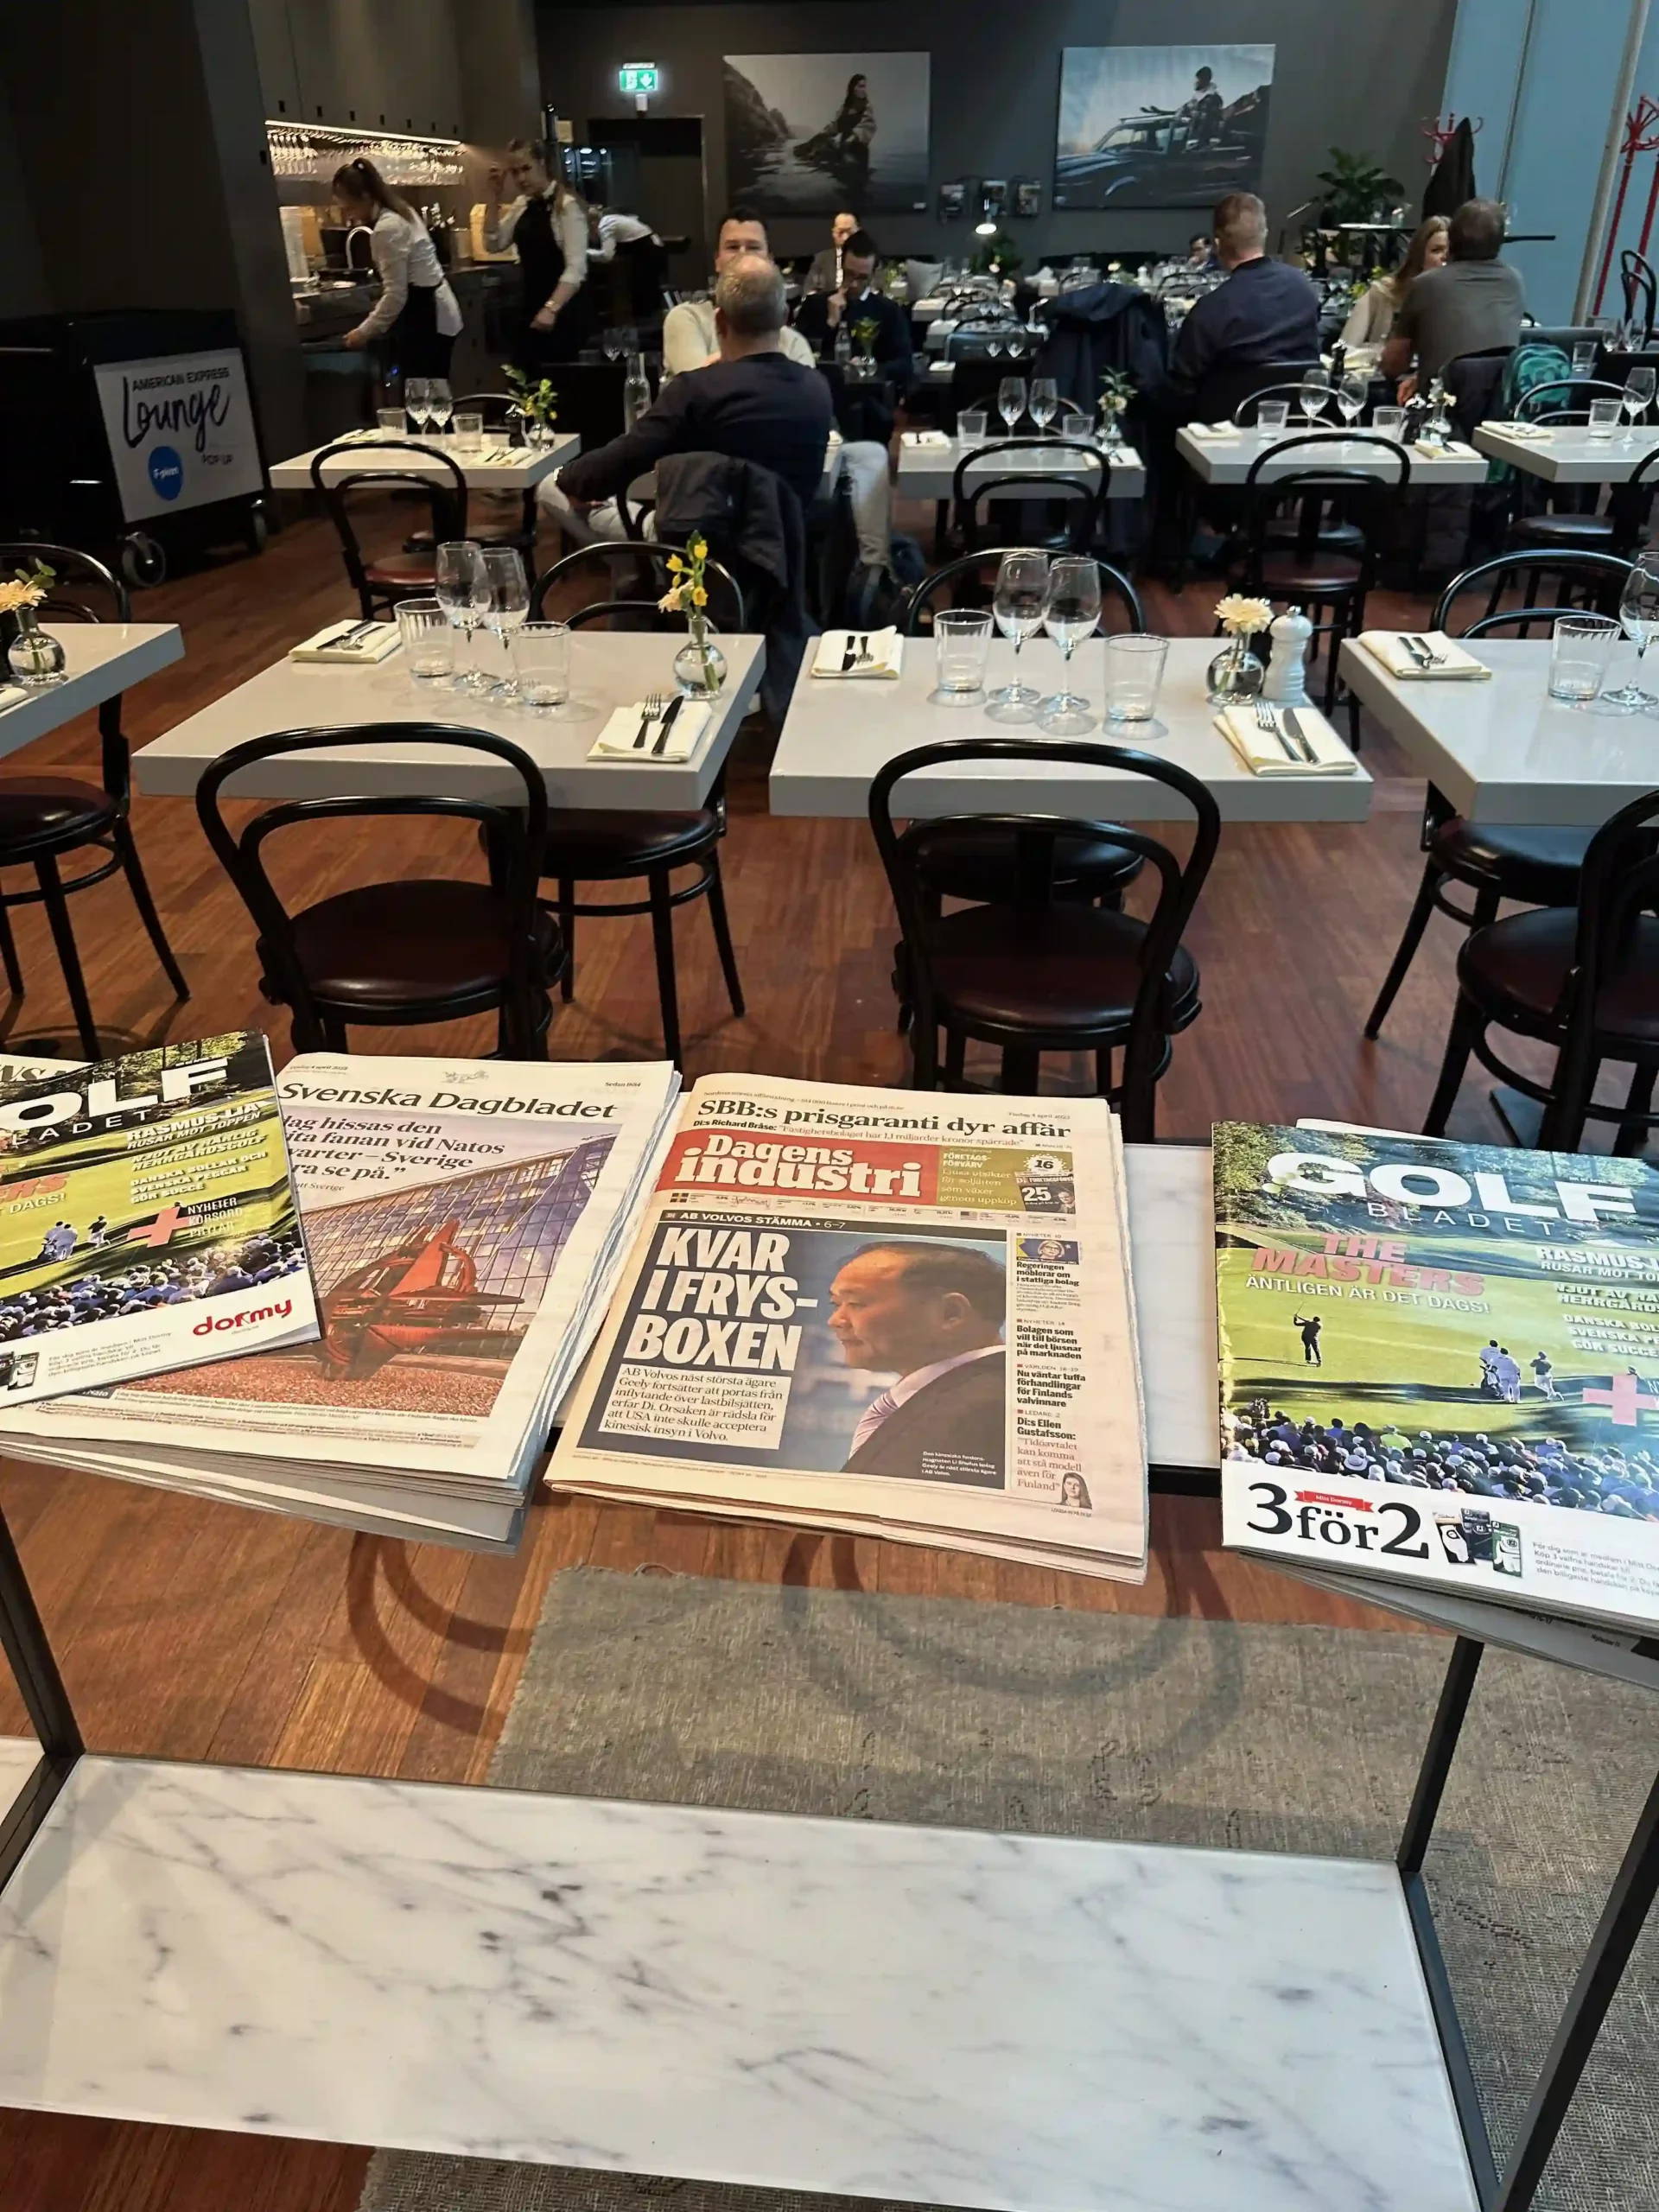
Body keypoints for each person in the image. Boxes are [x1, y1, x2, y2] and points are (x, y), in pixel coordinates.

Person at [543, 254, 833, 542]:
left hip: (697, 558)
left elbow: (610, 467)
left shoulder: (696, 391)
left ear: (719, 320)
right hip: (783, 559)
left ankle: (639, 576)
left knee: (549, 486)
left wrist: (571, 480)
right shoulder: (817, 389)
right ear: (784, 318)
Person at [828, 1243, 1006, 1485]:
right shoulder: (966, 1397)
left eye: (857, 1304)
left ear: (950, 1313)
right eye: (836, 1305)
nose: (835, 1320)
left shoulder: (988, 1409)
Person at [1166, 192, 1320, 414]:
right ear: (1264, 234)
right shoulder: (1304, 289)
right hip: (1296, 427)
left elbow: (1181, 387)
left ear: (1218, 244)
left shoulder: (1211, 310)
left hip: (1220, 437)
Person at [333, 157, 461, 380]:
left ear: (365, 197)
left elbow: (396, 294)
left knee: (421, 401)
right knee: (434, 396)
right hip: (437, 311)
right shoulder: (401, 210)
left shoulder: (387, 228)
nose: (349, 216)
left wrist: (364, 332)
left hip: (427, 316)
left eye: (349, 208)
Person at [1382, 198, 1525, 395]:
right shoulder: (1514, 281)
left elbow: (1393, 365)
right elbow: (1483, 357)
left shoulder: (1427, 284)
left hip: (1441, 411)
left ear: (1451, 239)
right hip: (1498, 412)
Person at [662, 209, 818, 383]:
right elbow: (701, 389)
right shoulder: (687, 319)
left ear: (770, 260)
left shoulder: (793, 343)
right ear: (717, 260)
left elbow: (803, 401)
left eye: (753, 247)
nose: (742, 254)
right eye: (732, 247)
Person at [482, 138, 594, 367]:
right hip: (531, 305)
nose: (521, 178)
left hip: (564, 311)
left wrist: (551, 309)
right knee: (526, 383)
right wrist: (494, 196)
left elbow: (576, 269)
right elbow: (493, 243)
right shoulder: (521, 205)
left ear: (542, 164)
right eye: (514, 173)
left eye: (526, 169)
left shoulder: (567, 206)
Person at [1341, 216, 1448, 350]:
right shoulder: (1383, 293)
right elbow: (1345, 349)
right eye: (1437, 250)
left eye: (1451, 252)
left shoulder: (1461, 300)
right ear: (1419, 255)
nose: (1445, 258)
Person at [803, 76, 875, 196]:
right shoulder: (845, 108)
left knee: (858, 187)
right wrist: (823, 133)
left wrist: (852, 138)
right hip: (844, 150)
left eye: (864, 86)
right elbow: (835, 125)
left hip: (858, 151)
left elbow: (868, 125)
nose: (863, 89)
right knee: (843, 187)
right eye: (860, 86)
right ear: (853, 88)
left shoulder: (867, 107)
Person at [806, 211, 860, 295]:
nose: (845, 238)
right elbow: (811, 289)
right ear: (833, 233)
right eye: (840, 232)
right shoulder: (822, 258)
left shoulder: (869, 259)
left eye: (850, 232)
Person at [1179, 66, 1224, 149]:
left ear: (1205, 81)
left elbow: (1207, 118)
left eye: (1198, 80)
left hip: (1201, 140)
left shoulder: (1211, 98)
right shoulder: (1198, 96)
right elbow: (1187, 107)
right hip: (1195, 136)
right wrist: (1179, 114)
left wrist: (1189, 116)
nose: (1195, 82)